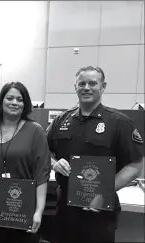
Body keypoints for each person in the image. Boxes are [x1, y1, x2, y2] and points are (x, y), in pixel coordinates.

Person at [46, 66, 144, 243]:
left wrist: (102, 192)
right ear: (75, 87)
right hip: (65, 210)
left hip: (100, 210)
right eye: (81, 83)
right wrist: (54, 163)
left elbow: (136, 164)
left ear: (103, 86)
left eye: (93, 83)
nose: (86, 87)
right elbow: (43, 152)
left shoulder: (119, 122)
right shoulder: (61, 121)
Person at [0, 82, 51, 243]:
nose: (14, 102)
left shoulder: (35, 131)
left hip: (26, 212)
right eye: (9, 98)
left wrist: (39, 211)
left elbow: (42, 173)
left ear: (25, 104)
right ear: (1, 101)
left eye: (20, 99)